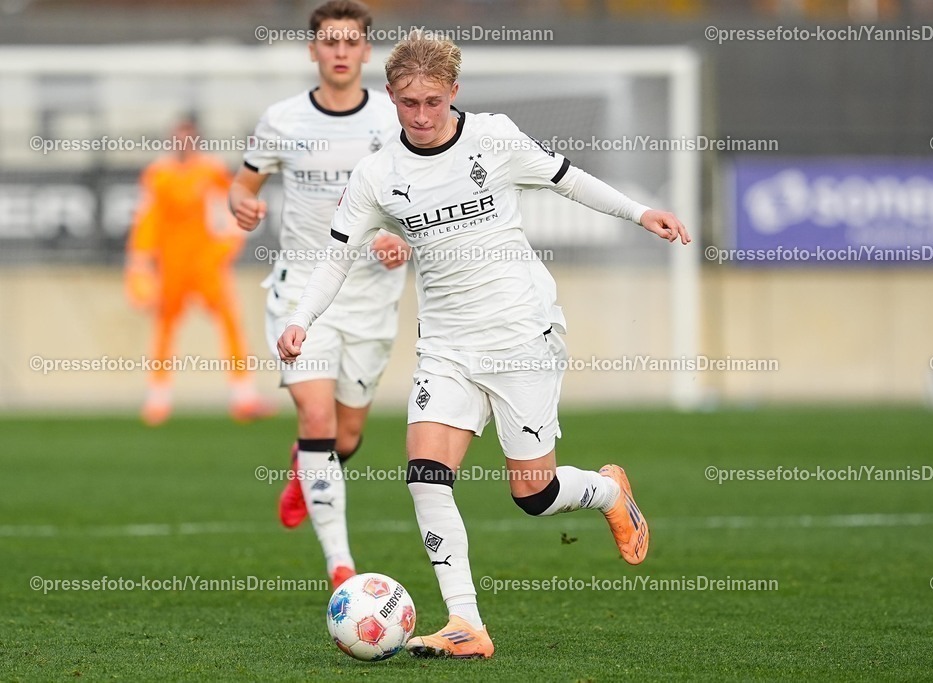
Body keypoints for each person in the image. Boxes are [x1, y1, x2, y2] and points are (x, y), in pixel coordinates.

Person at [277, 31, 690, 658]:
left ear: (454, 93)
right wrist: (301, 319)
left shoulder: (494, 137)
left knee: (535, 495)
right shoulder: (377, 174)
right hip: (445, 346)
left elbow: (567, 180)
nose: (420, 116)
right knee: (424, 473)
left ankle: (608, 491)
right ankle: (465, 622)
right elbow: (335, 258)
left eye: (433, 102)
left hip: (522, 334)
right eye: (408, 103)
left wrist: (640, 213)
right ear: (389, 95)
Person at [228, 0, 410, 588]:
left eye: (350, 42)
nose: (338, 51)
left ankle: (305, 471)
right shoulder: (283, 119)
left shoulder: (393, 120)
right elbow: (245, 182)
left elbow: (419, 197)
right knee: (316, 415)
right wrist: (243, 204)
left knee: (346, 435)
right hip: (300, 290)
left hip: (371, 296)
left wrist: (395, 236)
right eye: (328, 41)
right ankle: (340, 565)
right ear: (312, 49)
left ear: (364, 50)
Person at [125, 116, 276, 427]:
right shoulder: (157, 173)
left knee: (230, 323)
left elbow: (235, 202)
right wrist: (139, 261)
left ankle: (244, 397)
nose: (184, 143)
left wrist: (228, 244)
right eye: (179, 137)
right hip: (172, 264)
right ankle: (158, 399)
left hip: (205, 262)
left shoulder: (210, 168)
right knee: (165, 327)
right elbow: (146, 217)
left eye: (189, 137)